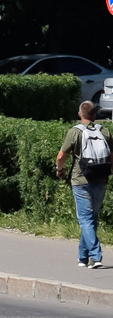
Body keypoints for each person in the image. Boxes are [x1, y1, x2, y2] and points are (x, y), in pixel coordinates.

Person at [55, 101, 110, 269]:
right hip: (101, 179)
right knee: (91, 219)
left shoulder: (75, 131)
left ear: (80, 114)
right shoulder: (105, 131)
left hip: (81, 180)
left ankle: (95, 255)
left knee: (85, 219)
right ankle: (83, 257)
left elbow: (61, 156)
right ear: (95, 115)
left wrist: (60, 170)